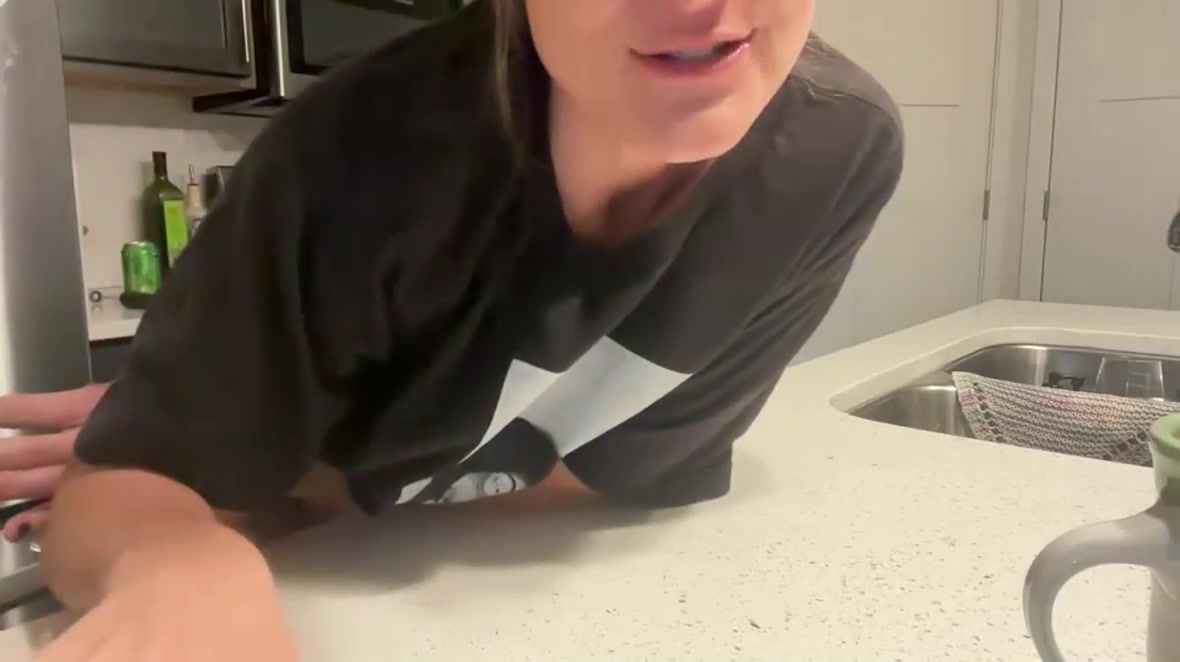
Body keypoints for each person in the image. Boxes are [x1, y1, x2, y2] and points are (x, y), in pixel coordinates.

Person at [0, 0, 903, 658]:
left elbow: (616, 477)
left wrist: (274, 457)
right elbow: (116, 501)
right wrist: (172, 545)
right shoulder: (355, 160)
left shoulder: (835, 156)